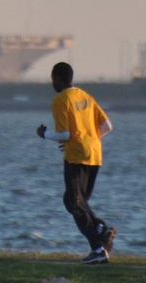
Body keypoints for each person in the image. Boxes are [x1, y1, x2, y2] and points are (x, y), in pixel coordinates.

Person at [36, 62, 116, 264]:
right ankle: (99, 228)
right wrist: (88, 140)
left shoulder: (60, 100)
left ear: (58, 78)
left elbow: (64, 133)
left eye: (53, 79)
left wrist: (44, 134)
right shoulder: (86, 96)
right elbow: (107, 126)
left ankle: (98, 248)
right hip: (95, 154)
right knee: (74, 201)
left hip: (76, 157)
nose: (52, 83)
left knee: (76, 204)